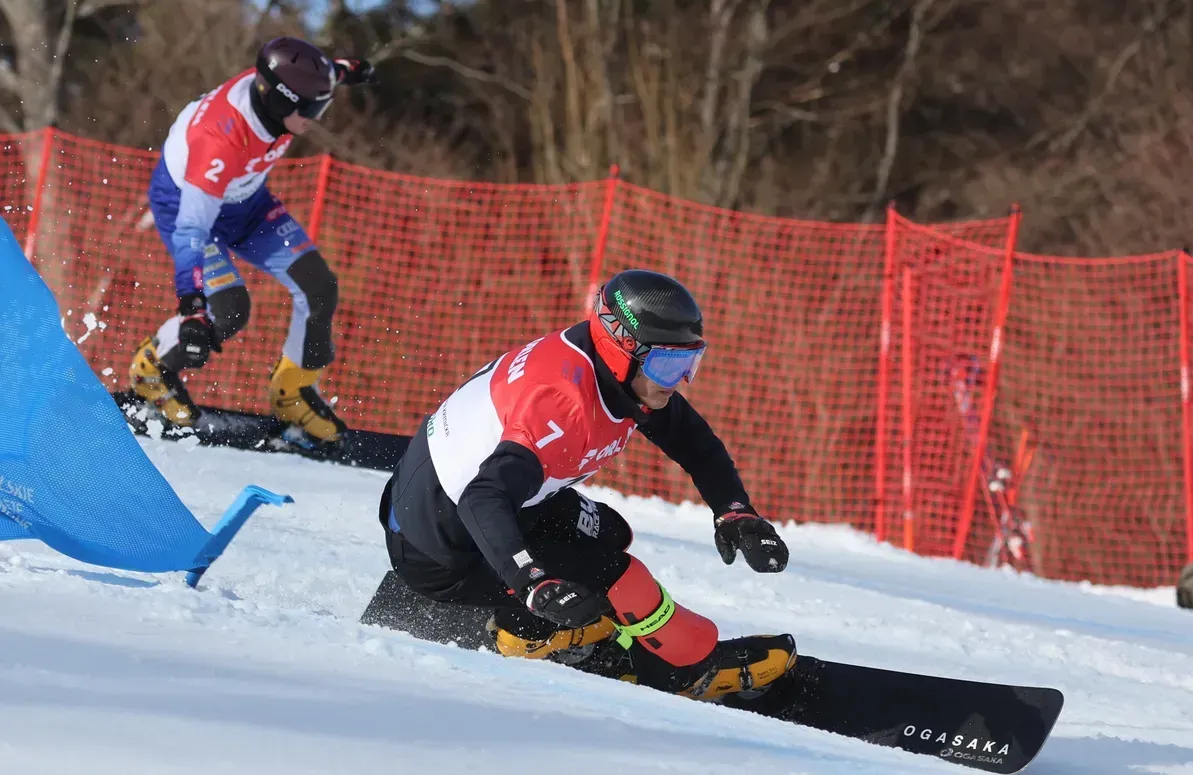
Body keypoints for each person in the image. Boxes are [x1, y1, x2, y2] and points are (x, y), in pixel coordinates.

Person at [376, 268, 797, 700]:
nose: (681, 381)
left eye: (689, 363)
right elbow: (482, 498)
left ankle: (530, 618)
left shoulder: (615, 371)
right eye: (670, 365)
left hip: (458, 502)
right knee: (621, 578)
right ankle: (682, 671)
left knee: (611, 532)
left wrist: (734, 510)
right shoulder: (564, 405)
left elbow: (695, 442)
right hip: (441, 548)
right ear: (624, 349)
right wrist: (533, 583)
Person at [128, 36, 375, 451]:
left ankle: (291, 394)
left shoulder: (283, 92)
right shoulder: (221, 142)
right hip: (188, 207)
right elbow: (191, 228)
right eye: (312, 108)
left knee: (319, 288)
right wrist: (192, 307)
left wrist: (348, 69)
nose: (317, 117)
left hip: (247, 202)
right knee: (227, 310)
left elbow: (327, 72)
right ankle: (151, 369)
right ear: (281, 102)